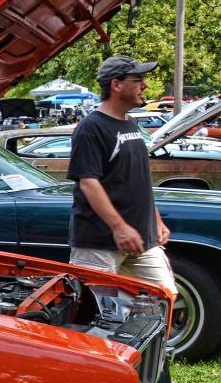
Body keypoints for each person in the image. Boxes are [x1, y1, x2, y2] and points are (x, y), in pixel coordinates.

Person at [66, 55, 176, 296]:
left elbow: (138, 181)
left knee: (163, 296)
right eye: (138, 80)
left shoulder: (130, 125)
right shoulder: (91, 128)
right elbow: (88, 182)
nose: (144, 85)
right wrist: (119, 227)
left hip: (141, 240)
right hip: (99, 242)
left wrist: (155, 219)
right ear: (116, 85)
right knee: (97, 310)